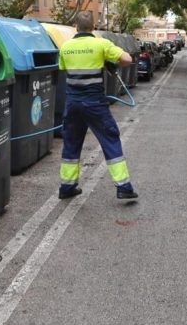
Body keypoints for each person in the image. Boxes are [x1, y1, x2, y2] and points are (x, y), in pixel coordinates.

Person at [58, 11, 137, 200]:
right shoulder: (101, 43)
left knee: (71, 142)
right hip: (94, 103)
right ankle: (123, 187)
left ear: (76, 27)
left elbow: (64, 69)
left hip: (73, 103)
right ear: (93, 27)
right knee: (110, 138)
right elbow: (127, 59)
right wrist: (109, 62)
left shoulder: (65, 47)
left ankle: (67, 187)